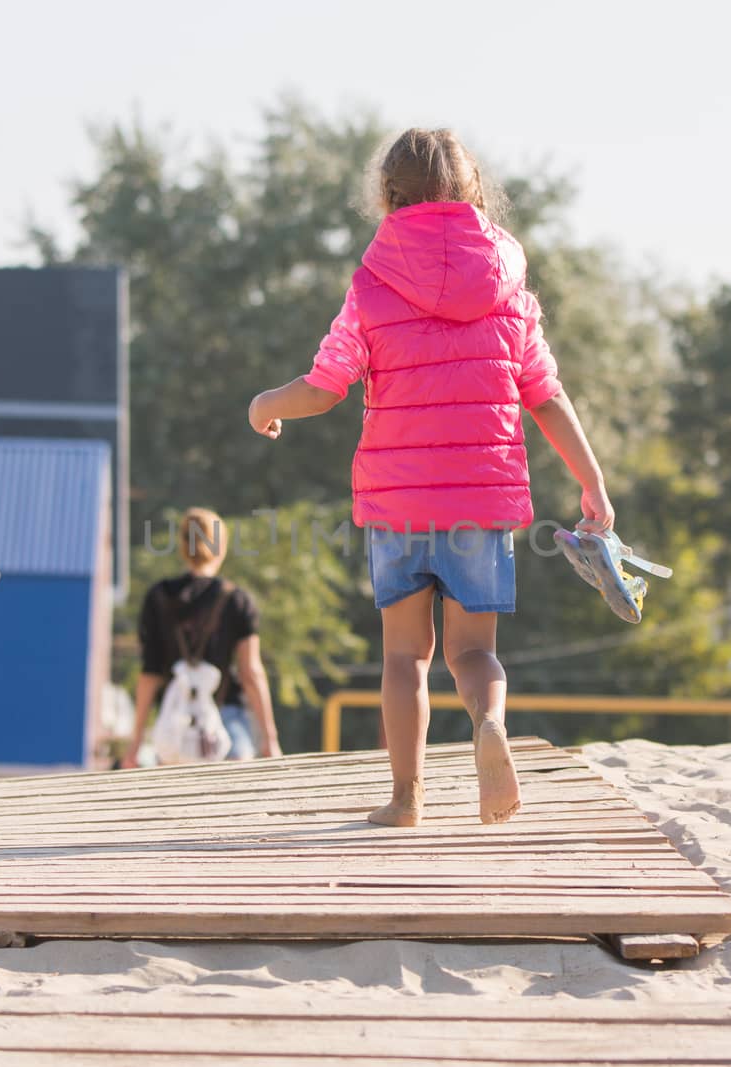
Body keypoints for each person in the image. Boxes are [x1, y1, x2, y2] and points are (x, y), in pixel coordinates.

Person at [247, 128, 614, 827]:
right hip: (482, 499)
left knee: (404, 659)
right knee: (474, 652)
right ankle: (490, 724)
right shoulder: (511, 291)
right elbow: (546, 395)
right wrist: (591, 478)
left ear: (388, 196)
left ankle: (406, 798)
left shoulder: (371, 286)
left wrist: (265, 404)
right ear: (473, 194)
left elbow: (324, 387)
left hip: (398, 503)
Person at [124, 508, 282, 767]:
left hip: (175, 725)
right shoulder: (237, 600)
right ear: (221, 547)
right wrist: (270, 739)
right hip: (226, 722)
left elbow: (150, 673)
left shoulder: (158, 597)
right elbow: (251, 673)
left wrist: (136, 743)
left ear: (183, 547)